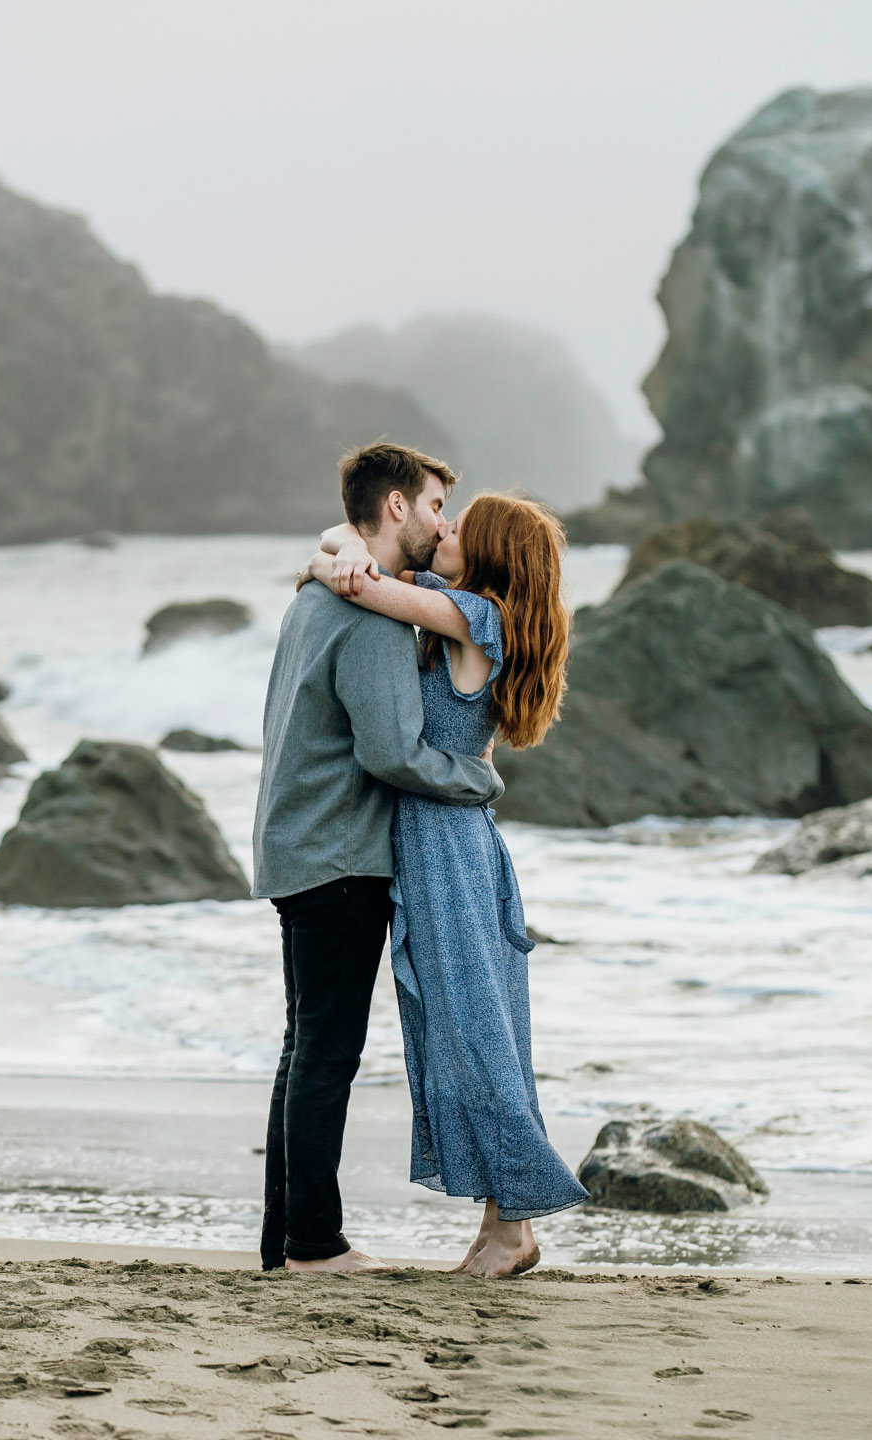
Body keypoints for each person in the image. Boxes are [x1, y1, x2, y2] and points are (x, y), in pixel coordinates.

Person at [305, 490, 588, 1277]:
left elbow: (346, 576)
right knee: (466, 1029)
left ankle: (517, 1222)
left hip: (449, 848)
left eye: (459, 527)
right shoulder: (456, 609)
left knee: (474, 1033)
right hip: (446, 842)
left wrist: (346, 558)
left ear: (490, 552)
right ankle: (500, 1227)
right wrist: (349, 546)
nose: (442, 530)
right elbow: (343, 549)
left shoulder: (475, 618)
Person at [252, 442, 506, 1274]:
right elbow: (393, 751)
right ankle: (315, 1247)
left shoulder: (316, 593)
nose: (442, 522)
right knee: (327, 1053)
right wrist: (477, 781)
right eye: (435, 506)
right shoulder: (367, 615)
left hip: (297, 843)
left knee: (305, 1046)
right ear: (396, 508)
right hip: (340, 854)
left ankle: (285, 1242)